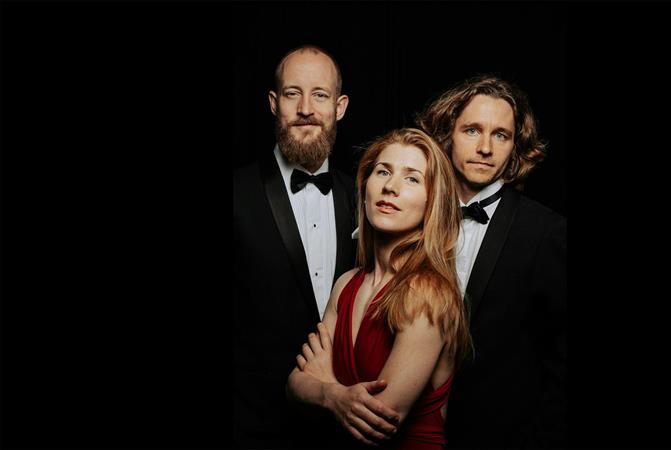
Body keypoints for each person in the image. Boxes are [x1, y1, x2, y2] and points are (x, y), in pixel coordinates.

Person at [286, 128, 472, 449]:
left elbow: (378, 422)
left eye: (412, 178)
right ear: (365, 188)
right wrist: (334, 395)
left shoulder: (428, 293)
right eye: (383, 171)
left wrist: (326, 386)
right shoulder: (346, 284)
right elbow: (293, 384)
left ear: (432, 201)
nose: (390, 186)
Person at [416, 74, 567, 448]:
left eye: (501, 135)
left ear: (515, 147)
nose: (485, 147)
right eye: (472, 130)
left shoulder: (546, 231)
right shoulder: (413, 215)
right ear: (447, 134)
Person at [233, 44, 357, 448]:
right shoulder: (237, 192)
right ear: (274, 103)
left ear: (339, 107)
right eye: (292, 94)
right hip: (251, 425)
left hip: (342, 429)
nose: (306, 109)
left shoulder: (365, 199)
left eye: (319, 95)